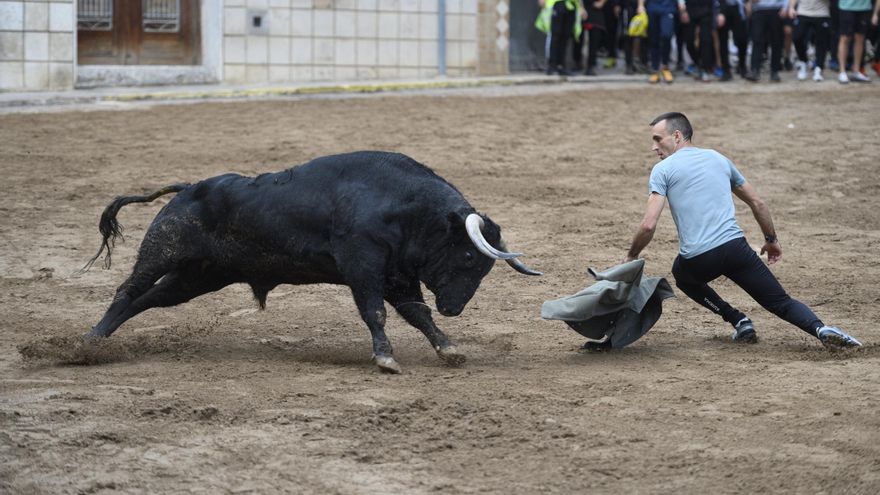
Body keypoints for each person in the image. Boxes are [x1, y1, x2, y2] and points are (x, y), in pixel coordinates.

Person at [624, 112, 862, 349]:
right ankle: (820, 328)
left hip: (699, 259)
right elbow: (757, 203)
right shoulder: (718, 159)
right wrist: (771, 240)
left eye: (657, 139)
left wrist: (632, 255)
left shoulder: (663, 170)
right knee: (780, 301)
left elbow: (648, 225)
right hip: (737, 249)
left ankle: (738, 319)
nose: (653, 147)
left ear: (676, 136)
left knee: (683, 276)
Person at [788, 0, 831, 81]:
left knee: (821, 41)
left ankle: (819, 68)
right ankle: (803, 62)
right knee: (797, 37)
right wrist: (791, 8)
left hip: (822, 13)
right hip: (803, 12)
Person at [638, 0, 680, 82]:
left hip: (668, 7)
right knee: (654, 39)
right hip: (653, 6)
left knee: (667, 35)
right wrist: (640, 5)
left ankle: (665, 66)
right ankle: (655, 69)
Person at [836, 0, 873, 82]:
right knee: (845, 38)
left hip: (864, 7)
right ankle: (842, 71)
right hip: (846, 7)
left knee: (860, 38)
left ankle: (856, 71)